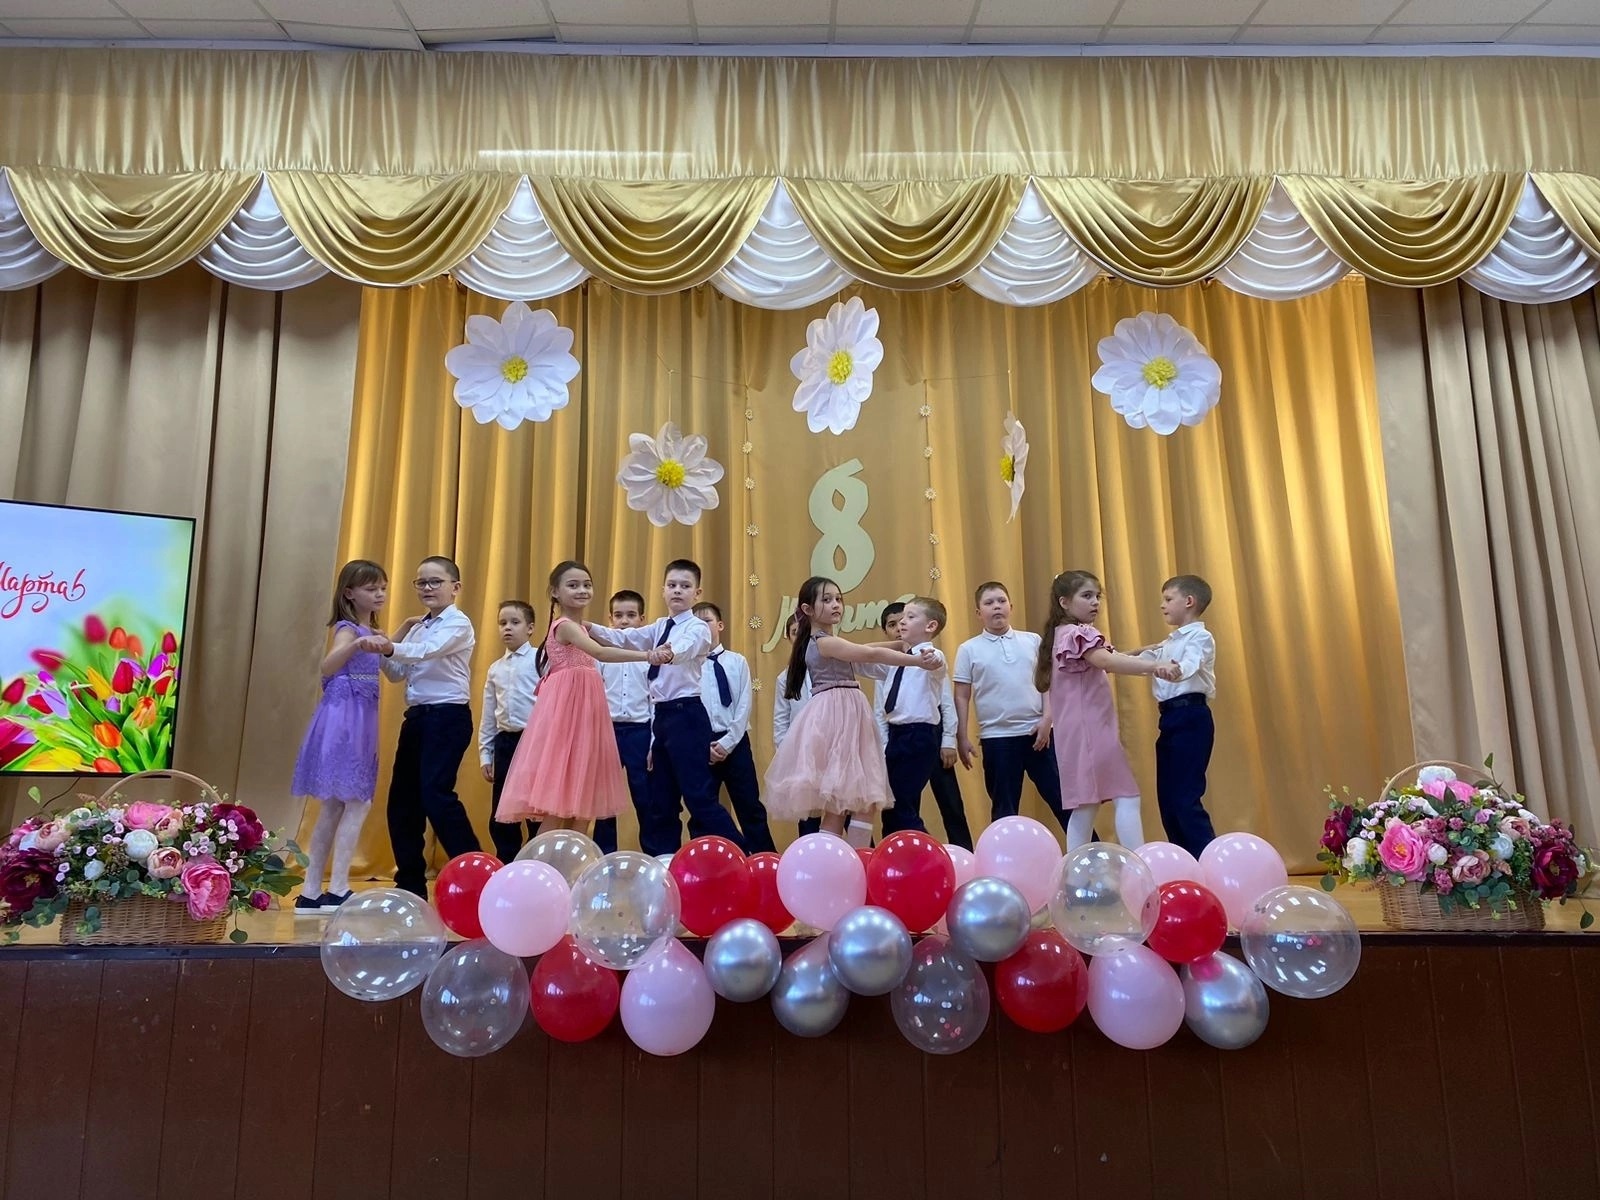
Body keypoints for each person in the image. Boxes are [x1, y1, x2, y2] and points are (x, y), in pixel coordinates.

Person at [587, 559, 749, 855]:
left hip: (687, 716)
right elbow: (626, 638)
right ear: (663, 590)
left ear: (696, 593)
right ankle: (662, 862)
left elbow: (685, 648)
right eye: (672, 585)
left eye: (685, 586)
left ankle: (741, 855)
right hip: (661, 718)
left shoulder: (697, 627)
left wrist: (667, 653)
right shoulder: (660, 625)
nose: (677, 590)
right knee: (661, 801)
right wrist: (588, 628)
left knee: (699, 797)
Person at [496, 561, 668, 836]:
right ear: (555, 592)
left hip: (586, 713)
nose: (582, 590)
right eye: (573, 585)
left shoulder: (582, 627)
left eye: (587, 585)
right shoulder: (565, 626)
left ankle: (574, 859)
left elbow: (615, 639)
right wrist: (648, 655)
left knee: (584, 803)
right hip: (570, 714)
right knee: (558, 806)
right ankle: (538, 861)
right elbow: (601, 652)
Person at [764, 576, 938, 842]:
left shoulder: (825, 641)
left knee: (845, 803)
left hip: (844, 711)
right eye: (827, 600)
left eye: (838, 599)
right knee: (856, 800)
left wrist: (900, 645)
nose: (836, 604)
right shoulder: (823, 642)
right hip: (839, 714)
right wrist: (915, 660)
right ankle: (852, 856)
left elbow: (866, 648)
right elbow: (869, 654)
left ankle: (840, 857)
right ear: (807, 609)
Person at [1033, 570, 1180, 851]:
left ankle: (1074, 865)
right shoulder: (1078, 634)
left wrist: (1144, 651)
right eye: (1086, 596)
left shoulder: (1062, 634)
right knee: (1127, 795)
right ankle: (1137, 860)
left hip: (1078, 730)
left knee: (1086, 804)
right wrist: (1155, 666)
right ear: (1064, 602)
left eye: (1097, 596)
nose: (1095, 602)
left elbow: (1108, 658)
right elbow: (1107, 662)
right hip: (1090, 729)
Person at [375, 555, 481, 898]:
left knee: (436, 795)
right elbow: (395, 672)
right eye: (421, 582)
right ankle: (410, 884)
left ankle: (476, 877)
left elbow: (427, 651)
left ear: (455, 587)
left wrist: (392, 645)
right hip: (418, 718)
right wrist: (394, 639)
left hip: (448, 716)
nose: (427, 588)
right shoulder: (419, 627)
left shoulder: (458, 623)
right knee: (402, 802)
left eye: (435, 581)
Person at [292, 559, 388, 914]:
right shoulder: (348, 630)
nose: (379, 594)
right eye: (371, 588)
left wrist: (398, 633)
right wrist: (358, 645)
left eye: (382, 588)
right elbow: (329, 665)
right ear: (349, 593)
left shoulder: (367, 631)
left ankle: (311, 892)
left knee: (333, 805)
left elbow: (389, 660)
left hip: (352, 717)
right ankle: (339, 888)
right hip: (348, 719)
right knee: (357, 802)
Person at [953, 581, 1069, 832]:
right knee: (1004, 810)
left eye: (1001, 601)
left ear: (1011, 606)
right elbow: (961, 696)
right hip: (997, 738)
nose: (996, 607)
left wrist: (1047, 719)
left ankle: (1090, 850)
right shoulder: (968, 649)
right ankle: (1002, 857)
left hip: (1038, 734)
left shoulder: (1033, 640)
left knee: (1064, 801)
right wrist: (961, 736)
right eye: (989, 603)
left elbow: (1047, 682)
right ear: (978, 612)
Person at [867, 599, 971, 847]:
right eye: (900, 618)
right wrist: (896, 646)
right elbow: (864, 656)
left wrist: (929, 659)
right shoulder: (896, 661)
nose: (902, 622)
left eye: (910, 617)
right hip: (896, 736)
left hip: (919, 735)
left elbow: (936, 663)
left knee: (903, 804)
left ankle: (928, 853)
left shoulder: (930, 655)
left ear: (930, 626)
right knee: (891, 806)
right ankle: (899, 852)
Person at [1133, 575, 1219, 857]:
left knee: (1185, 798)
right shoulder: (1167, 643)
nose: (1163, 605)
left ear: (1189, 601)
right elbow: (1134, 662)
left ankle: (1206, 861)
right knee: (1168, 800)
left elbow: (1190, 663)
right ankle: (1184, 862)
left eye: (1168, 599)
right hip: (1169, 719)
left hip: (1191, 717)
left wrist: (1176, 670)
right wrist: (1101, 657)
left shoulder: (1200, 637)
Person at [693, 601, 775, 853]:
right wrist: (701, 743)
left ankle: (763, 859)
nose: (702, 626)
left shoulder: (737, 661)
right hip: (700, 744)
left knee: (749, 806)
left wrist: (728, 743)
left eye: (707, 620)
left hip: (735, 742)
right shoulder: (686, 665)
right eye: (696, 623)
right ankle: (707, 862)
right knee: (702, 810)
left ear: (720, 625)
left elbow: (744, 705)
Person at [478, 600, 542, 862]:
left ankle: (536, 862)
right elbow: (489, 715)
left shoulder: (541, 660)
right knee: (503, 811)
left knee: (535, 809)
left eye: (515, 622)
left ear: (530, 628)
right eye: (502, 623)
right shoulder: (496, 668)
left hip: (535, 741)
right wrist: (485, 754)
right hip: (505, 743)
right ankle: (507, 862)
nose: (507, 628)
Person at [594, 588, 652, 856]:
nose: (624, 621)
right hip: (609, 731)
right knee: (605, 800)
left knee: (646, 797)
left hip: (641, 731)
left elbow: (655, 701)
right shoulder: (601, 655)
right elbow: (595, 696)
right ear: (610, 619)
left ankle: (652, 855)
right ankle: (604, 856)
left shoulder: (648, 657)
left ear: (642, 619)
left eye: (631, 615)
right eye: (618, 615)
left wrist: (652, 742)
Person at [774, 612, 823, 838]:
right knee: (809, 813)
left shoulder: (832, 664)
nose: (800, 637)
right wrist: (787, 757)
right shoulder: (785, 678)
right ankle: (809, 854)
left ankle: (861, 854)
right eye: (795, 632)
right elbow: (781, 721)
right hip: (803, 753)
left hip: (832, 748)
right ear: (788, 637)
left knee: (844, 808)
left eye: (805, 632)